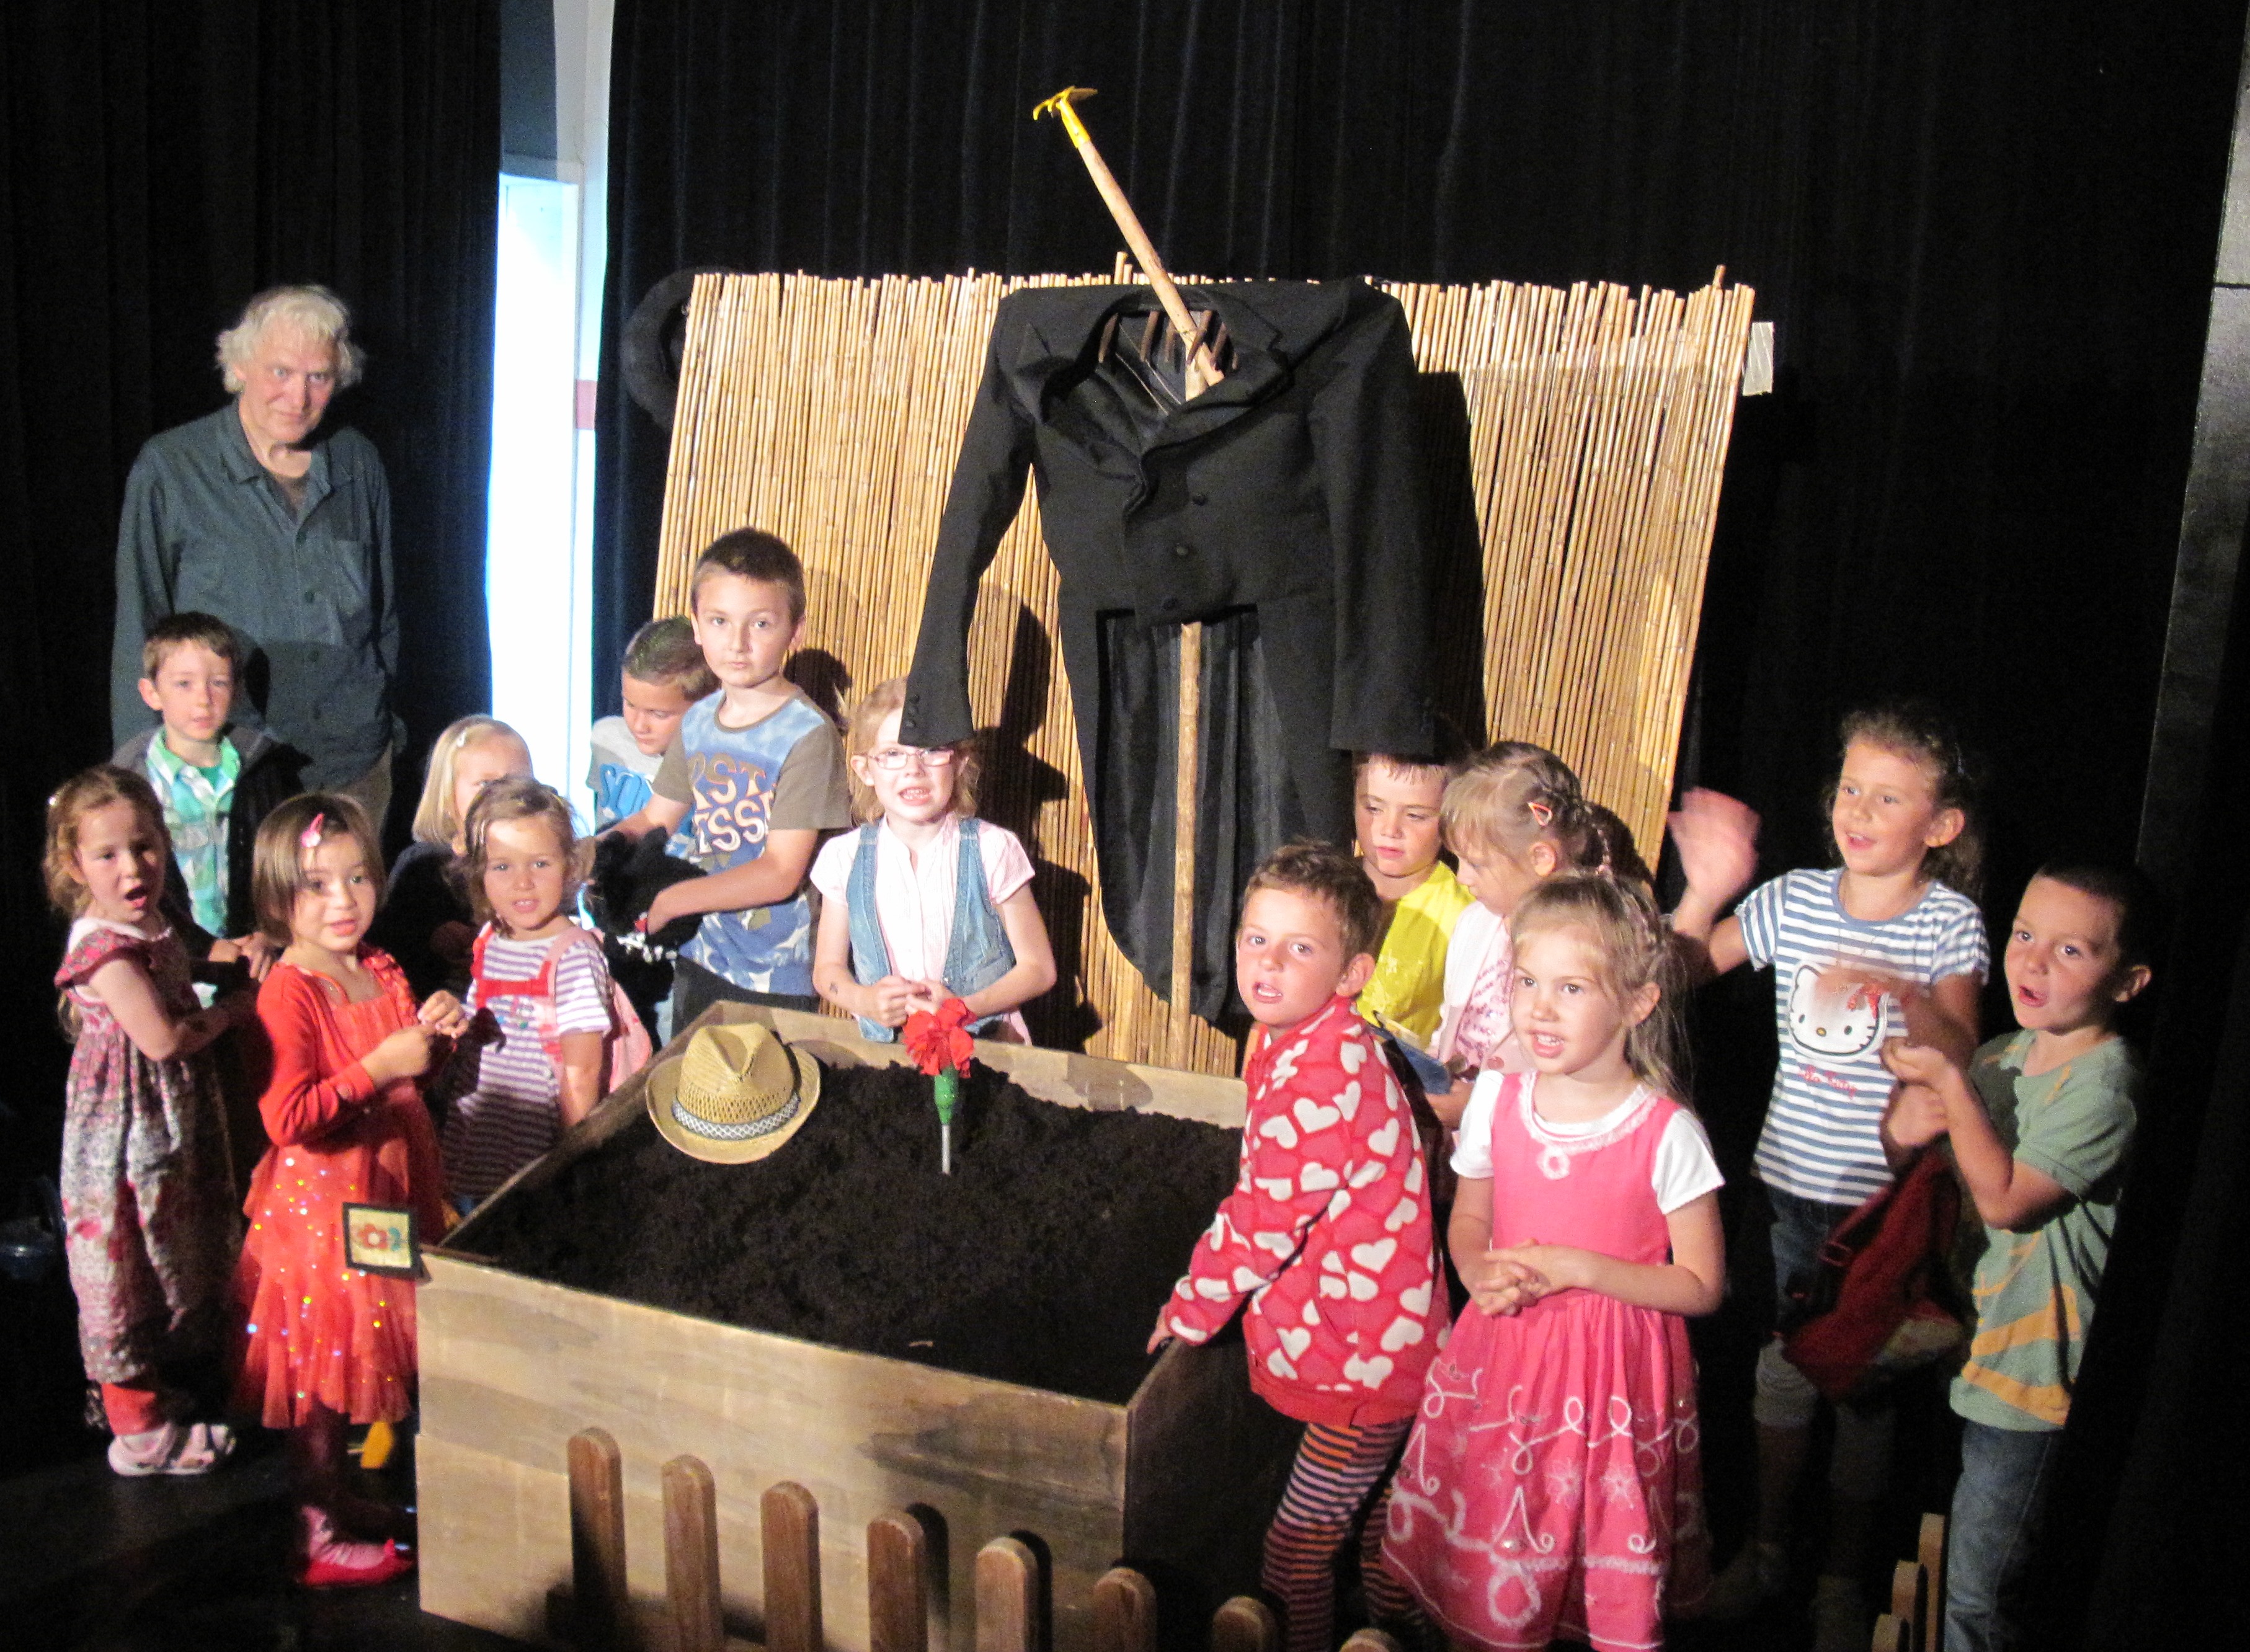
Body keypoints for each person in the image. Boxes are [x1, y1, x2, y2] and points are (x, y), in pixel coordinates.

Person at [1669, 701, 1988, 1648]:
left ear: (1941, 826)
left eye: (1888, 797)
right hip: (1785, 1196)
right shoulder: (1797, 899)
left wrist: (1902, 994)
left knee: (1863, 1398)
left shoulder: (1951, 922)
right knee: (1781, 1374)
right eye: (1851, 788)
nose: (1858, 810)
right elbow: (1678, 971)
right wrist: (1706, 889)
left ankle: (1841, 1582)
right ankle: (1768, 1554)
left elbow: (1962, 1054)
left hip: (1882, 1210)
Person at [1383, 874, 1722, 1650]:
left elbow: (1703, 1284)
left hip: (1610, 1382)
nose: (1539, 1008)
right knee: (1498, 1534)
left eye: (1570, 988)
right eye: (1527, 982)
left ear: (1637, 1003)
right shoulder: (1498, 1101)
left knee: (1588, 1534)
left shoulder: (1665, 1132)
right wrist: (1475, 1268)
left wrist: (1581, 1269)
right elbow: (1470, 1219)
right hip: (1505, 1358)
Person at [1150, 841, 1444, 1652]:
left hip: (1362, 1362)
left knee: (1295, 1554)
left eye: (1300, 948)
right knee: (1384, 1541)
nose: (1268, 963)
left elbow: (1261, 1222)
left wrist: (1190, 1310)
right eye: (1256, 938)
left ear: (1351, 975)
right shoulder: (1313, 1039)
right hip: (1383, 1338)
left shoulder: (1320, 1075)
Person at [1879, 861, 2153, 1652]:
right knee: (1940, 1558)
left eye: (2070, 951)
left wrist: (1948, 1084)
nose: (2031, 963)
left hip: (2030, 1386)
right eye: (2025, 935)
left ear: (2127, 982)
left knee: (1979, 1598)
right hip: (1969, 1350)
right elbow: (1939, 1176)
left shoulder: (2104, 1087)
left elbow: (2005, 1199)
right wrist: (1904, 1125)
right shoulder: (2001, 1056)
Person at [233, 794, 467, 1586]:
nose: (343, 900)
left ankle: (336, 1496)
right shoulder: (291, 989)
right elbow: (287, 1117)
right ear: (277, 899)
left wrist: (437, 1039)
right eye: (316, 885)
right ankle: (315, 1528)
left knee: (363, 1350)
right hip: (326, 1214)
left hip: (387, 1194)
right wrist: (380, 1067)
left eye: (357, 878)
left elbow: (412, 1074)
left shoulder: (380, 966)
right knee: (323, 1369)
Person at [112, 285, 399, 820]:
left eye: (319, 377)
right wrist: (140, 775)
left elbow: (384, 618)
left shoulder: (357, 461)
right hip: (226, 768)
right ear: (239, 366)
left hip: (353, 767)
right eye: (281, 372)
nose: (298, 397)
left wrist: (384, 725)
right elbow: (140, 627)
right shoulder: (172, 467)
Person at [47, 767, 254, 1476]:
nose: (133, 868)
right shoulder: (103, 949)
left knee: (173, 1247)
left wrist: (226, 964)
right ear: (75, 864)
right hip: (128, 1129)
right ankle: (137, 1430)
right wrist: (233, 1012)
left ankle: (164, 1393)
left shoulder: (149, 921)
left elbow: (179, 960)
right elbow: (162, 1039)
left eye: (144, 847)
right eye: (107, 855)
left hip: (168, 1114)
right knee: (125, 1260)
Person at [607, 530, 852, 1024]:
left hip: (772, 975)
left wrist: (672, 901)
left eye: (760, 624)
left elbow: (780, 871)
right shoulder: (699, 719)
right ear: (697, 624)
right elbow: (656, 818)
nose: (738, 644)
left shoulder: (808, 735)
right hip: (700, 952)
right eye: (720, 621)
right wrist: (594, 853)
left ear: (795, 631)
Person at [808, 678, 1056, 1042]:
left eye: (931, 751)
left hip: (987, 1049)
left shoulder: (993, 850)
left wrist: (964, 1008)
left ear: (959, 763)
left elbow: (1039, 969)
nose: (914, 769)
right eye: (893, 754)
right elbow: (827, 971)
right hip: (891, 1054)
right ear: (865, 770)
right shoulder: (843, 858)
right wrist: (865, 1000)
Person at [436, 779, 646, 1209]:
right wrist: (453, 1017)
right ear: (478, 873)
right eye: (502, 867)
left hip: (537, 1153)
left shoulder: (572, 957)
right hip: (480, 1135)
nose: (523, 883)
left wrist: (569, 1162)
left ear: (570, 867)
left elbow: (583, 1071)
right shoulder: (491, 938)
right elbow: (482, 1024)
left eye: (540, 864)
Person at [1428, 743, 1616, 1125]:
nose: (1462, 877)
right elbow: (1453, 1023)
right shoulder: (1476, 923)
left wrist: (1485, 1108)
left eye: (1477, 864)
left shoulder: (1590, 948)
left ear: (1541, 858)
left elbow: (1585, 1079)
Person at [112, 611, 298, 971]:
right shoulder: (130, 784)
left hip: (253, 962)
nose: (204, 699)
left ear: (236, 690)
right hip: (168, 965)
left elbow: (284, 863)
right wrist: (203, 947)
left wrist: (269, 934)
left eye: (218, 683)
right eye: (184, 684)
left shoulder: (263, 770)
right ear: (152, 693)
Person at [367, 716, 532, 1000]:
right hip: (444, 1004)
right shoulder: (423, 866)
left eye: (518, 782)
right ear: (447, 797)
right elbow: (392, 938)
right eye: (485, 783)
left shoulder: (539, 864)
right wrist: (433, 935)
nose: (503, 796)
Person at [1352, 752, 1474, 1047]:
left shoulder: (1465, 915)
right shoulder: (1317, 889)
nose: (1390, 830)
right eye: (1374, 808)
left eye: (1415, 816)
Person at [588, 616, 716, 830]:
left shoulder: (721, 764)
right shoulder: (606, 739)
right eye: (630, 704)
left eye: (659, 714)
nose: (639, 726)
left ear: (706, 705)